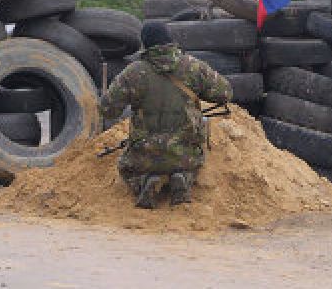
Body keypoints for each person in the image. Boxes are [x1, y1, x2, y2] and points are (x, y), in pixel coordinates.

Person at [100, 21, 233, 209]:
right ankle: (183, 180)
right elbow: (225, 93)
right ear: (170, 40)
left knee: (125, 167)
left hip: (144, 156)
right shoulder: (194, 67)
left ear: (145, 44)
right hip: (185, 154)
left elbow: (107, 110)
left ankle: (145, 182)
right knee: (194, 163)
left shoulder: (134, 73)